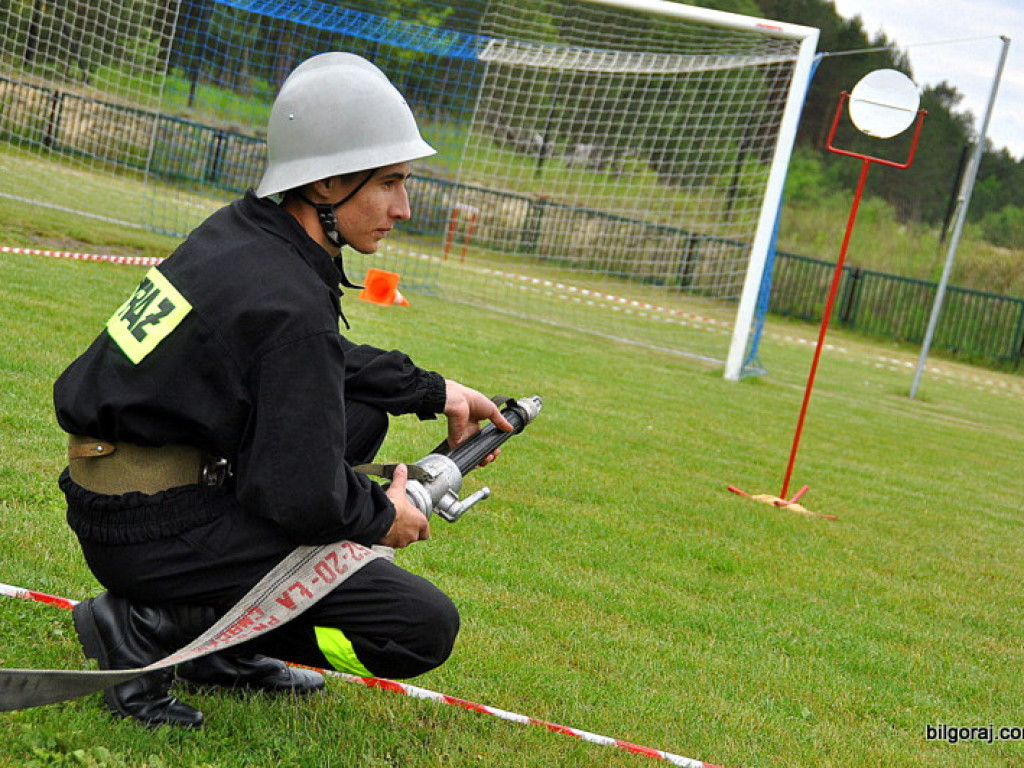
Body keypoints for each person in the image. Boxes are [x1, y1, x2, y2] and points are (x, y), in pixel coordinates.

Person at [53, 51, 512, 729]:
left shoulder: (245, 235)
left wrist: (433, 390)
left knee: (360, 415)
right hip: (151, 528)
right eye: (389, 183)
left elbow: (307, 360)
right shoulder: (288, 298)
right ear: (327, 183)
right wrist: (384, 514)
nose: (404, 207)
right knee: (417, 627)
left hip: (121, 495)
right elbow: (299, 493)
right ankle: (156, 625)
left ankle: (223, 647)